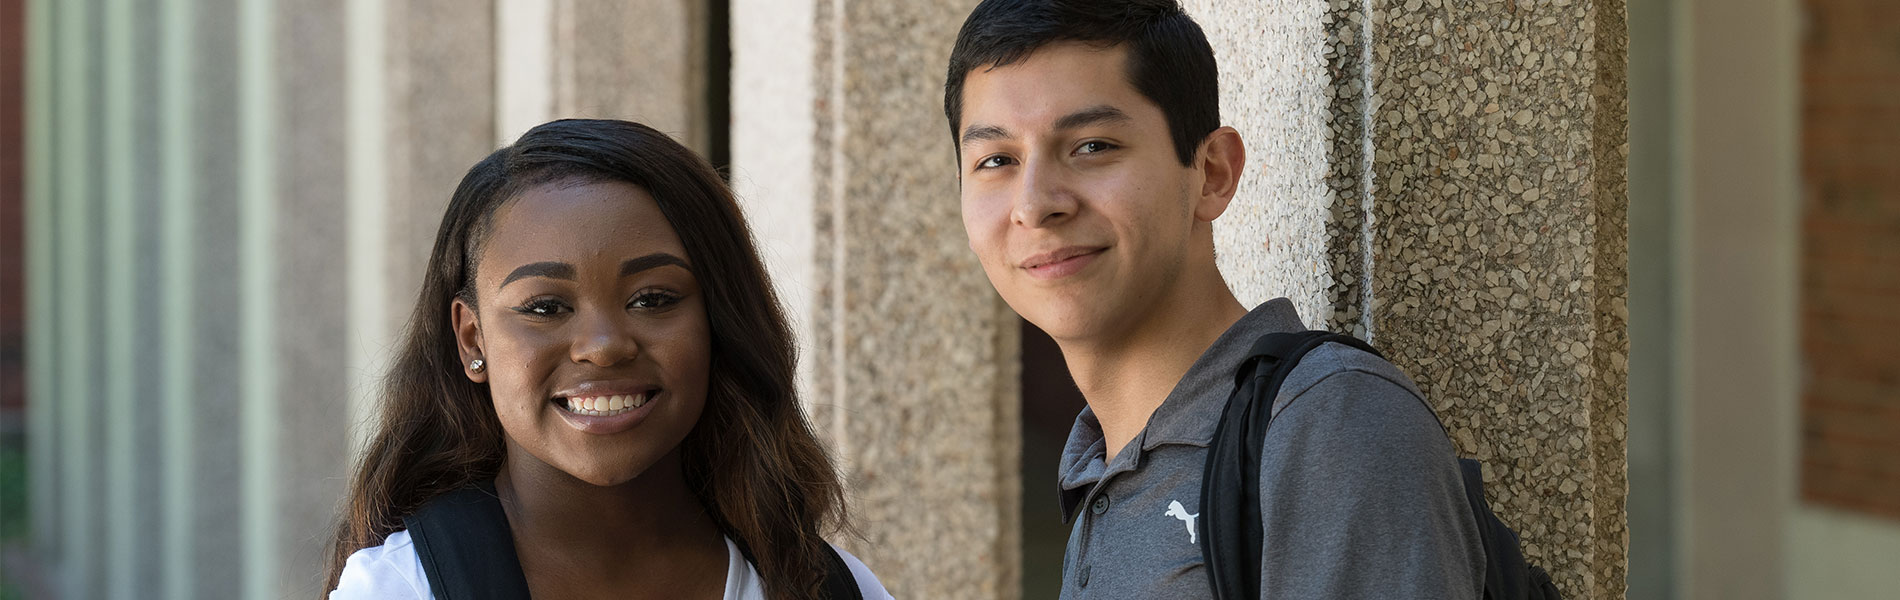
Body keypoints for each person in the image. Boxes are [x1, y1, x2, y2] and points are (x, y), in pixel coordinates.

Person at [943, 1, 1486, 597]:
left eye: (1093, 146)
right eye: (996, 160)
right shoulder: (1097, 465)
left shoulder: (1324, 424)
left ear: (1213, 172)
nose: (1035, 203)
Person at [325, 119, 891, 600]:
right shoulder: (399, 587)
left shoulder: (828, 587)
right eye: (545, 307)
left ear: (718, 322)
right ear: (473, 340)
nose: (603, 345)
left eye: (653, 299)